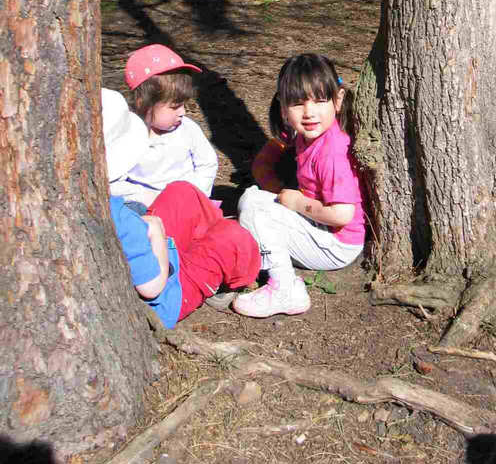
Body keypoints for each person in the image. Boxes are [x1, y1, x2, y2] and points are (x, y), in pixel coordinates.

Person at [103, 88, 261, 326]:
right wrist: (156, 233)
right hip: (169, 291)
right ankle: (234, 274)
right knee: (233, 238)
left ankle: (206, 244)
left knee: (181, 190)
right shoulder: (122, 222)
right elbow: (152, 288)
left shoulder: (110, 204)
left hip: (159, 252)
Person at [232, 53, 366, 318]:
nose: (309, 113)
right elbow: (275, 149)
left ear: (337, 100)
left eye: (320, 101)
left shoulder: (331, 152)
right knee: (251, 199)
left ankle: (284, 288)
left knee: (257, 211)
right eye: (298, 104)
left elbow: (342, 214)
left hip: (337, 245)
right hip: (321, 231)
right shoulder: (306, 136)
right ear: (283, 107)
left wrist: (297, 203)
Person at [110, 43, 219, 209]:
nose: (182, 112)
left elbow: (207, 164)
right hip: (147, 206)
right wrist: (144, 196)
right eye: (175, 106)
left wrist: (194, 194)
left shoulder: (187, 129)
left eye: (184, 105)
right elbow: (114, 181)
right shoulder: (127, 136)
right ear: (143, 103)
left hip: (188, 202)